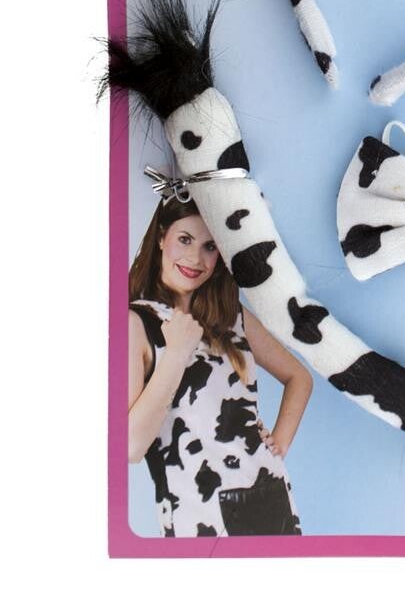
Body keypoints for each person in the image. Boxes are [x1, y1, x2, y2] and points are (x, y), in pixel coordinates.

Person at [128, 195, 312, 537]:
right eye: (185, 239)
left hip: (270, 498)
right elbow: (131, 446)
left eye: (210, 246)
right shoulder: (136, 323)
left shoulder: (232, 318)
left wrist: (278, 445)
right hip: (197, 513)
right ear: (162, 237)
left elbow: (299, 377)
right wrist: (177, 352)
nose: (195, 258)